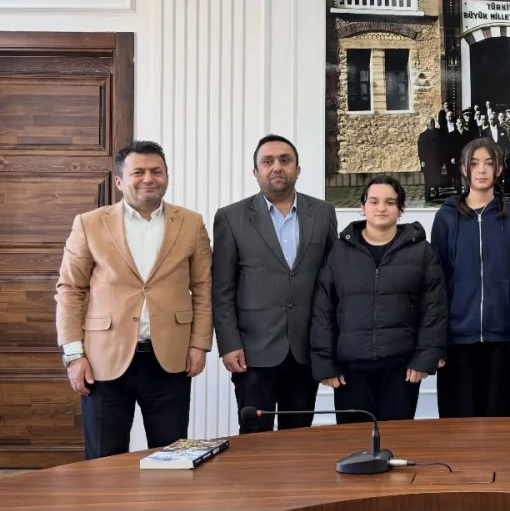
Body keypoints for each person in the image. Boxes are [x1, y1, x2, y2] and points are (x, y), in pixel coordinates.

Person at [55, 141, 213, 459]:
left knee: (171, 457)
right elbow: (70, 289)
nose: (148, 178)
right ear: (119, 180)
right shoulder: (89, 223)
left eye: (156, 171)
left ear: (166, 177)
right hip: (103, 360)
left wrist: (199, 344)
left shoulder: (191, 223)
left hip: (170, 359)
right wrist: (74, 355)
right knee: (104, 461)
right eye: (138, 172)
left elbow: (203, 287)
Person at [212, 134, 338, 434]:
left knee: (299, 436)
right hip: (252, 353)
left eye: (285, 160)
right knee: (255, 438)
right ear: (255, 172)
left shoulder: (323, 213)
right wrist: (229, 344)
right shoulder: (231, 217)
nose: (277, 167)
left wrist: (329, 344)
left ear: (298, 169)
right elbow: (222, 289)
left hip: (305, 349)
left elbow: (332, 282)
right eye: (267, 161)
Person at [309, 176, 447, 423]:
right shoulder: (339, 251)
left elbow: (434, 310)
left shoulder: (422, 252)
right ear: (362, 207)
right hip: (350, 369)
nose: (381, 208)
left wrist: (424, 360)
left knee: (397, 440)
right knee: (353, 441)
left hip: (401, 368)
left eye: (390, 202)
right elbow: (323, 310)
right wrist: (325, 363)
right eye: (373, 201)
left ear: (401, 208)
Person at [430, 138, 510, 418]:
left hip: (504, 339)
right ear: (463, 169)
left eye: (488, 163)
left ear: (499, 169)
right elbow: (436, 283)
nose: (481, 170)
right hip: (456, 340)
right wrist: (437, 341)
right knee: (458, 428)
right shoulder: (446, 217)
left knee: (502, 424)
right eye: (474, 164)